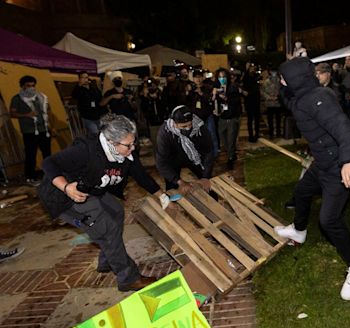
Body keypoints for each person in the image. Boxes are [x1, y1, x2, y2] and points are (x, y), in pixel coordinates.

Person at [275, 57, 350, 301]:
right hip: (323, 164)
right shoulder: (299, 97)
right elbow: (285, 97)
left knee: (328, 221)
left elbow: (345, 129)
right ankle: (299, 231)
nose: (281, 81)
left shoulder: (320, 99)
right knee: (301, 192)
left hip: (340, 167)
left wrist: (349, 160)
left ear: (296, 80)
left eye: (284, 77)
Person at [38, 114, 170, 292]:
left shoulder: (126, 153)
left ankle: (108, 258)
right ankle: (128, 278)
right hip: (65, 195)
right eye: (128, 145)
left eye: (134, 143)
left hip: (90, 189)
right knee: (108, 230)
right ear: (111, 141)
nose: (133, 148)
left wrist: (161, 195)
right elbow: (49, 163)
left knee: (116, 211)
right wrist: (66, 187)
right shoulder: (86, 148)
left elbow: (140, 174)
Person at [155, 106, 215, 194]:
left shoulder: (200, 126)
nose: (187, 128)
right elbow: (161, 162)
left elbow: (209, 151)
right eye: (183, 126)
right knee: (172, 189)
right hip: (173, 159)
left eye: (190, 125)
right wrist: (179, 181)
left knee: (208, 186)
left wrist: (206, 177)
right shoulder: (164, 133)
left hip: (194, 156)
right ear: (174, 123)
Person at [10, 75, 52, 186]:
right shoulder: (17, 98)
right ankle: (30, 176)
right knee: (31, 155)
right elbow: (12, 113)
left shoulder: (40, 97)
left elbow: (47, 110)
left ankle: (50, 174)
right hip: (29, 131)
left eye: (33, 86)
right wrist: (26, 115)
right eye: (28, 86)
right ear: (23, 86)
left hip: (43, 129)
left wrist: (50, 125)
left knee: (47, 153)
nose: (31, 88)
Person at [214, 68, 242, 170]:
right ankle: (232, 153)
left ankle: (230, 158)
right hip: (222, 118)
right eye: (220, 77)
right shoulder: (216, 88)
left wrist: (226, 98)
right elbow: (213, 102)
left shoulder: (233, 87)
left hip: (232, 118)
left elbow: (237, 101)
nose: (222, 79)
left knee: (231, 140)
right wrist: (214, 96)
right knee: (224, 140)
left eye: (224, 77)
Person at [241, 63, 262, 142]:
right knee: (250, 119)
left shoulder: (256, 76)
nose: (253, 69)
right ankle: (251, 135)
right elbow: (244, 83)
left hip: (256, 99)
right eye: (251, 68)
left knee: (256, 119)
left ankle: (256, 134)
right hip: (249, 100)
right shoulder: (246, 77)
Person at [261, 68, 282, 139]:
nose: (274, 73)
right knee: (270, 120)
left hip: (277, 103)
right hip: (269, 103)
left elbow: (282, 90)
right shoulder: (266, 81)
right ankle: (271, 133)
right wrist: (269, 97)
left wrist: (278, 97)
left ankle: (278, 133)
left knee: (278, 119)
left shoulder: (279, 81)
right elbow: (263, 91)